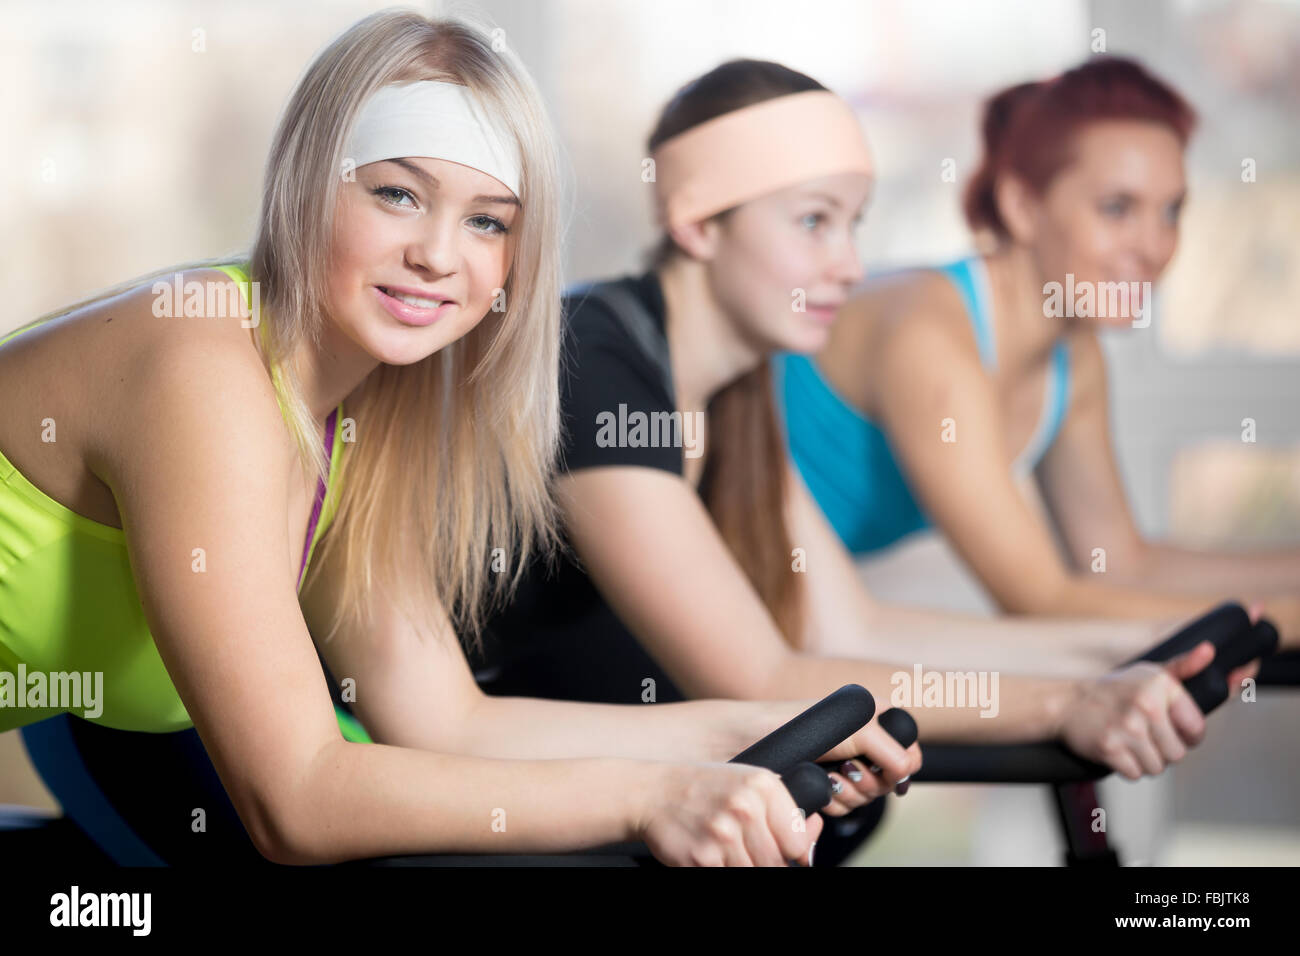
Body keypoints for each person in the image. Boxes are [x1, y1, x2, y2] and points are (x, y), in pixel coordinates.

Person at [0, 11, 894, 868]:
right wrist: (654, 797)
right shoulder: (203, 369)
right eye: (397, 194)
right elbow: (296, 798)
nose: (438, 253)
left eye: (486, 222)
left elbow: (448, 721)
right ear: (305, 186)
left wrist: (750, 733)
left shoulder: (367, 424)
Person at [472, 59, 1244, 865]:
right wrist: (1068, 703)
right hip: (497, 786)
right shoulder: (596, 361)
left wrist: (1146, 645)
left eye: (855, 225)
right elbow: (763, 675)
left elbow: (850, 623)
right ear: (699, 223)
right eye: (814, 222)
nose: (849, 264)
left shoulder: (740, 390)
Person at [776, 56, 1300, 641]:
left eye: (1172, 210)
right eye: (1117, 208)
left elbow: (1121, 565)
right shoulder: (928, 335)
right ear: (1022, 208)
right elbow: (1038, 602)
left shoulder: (1073, 358)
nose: (1155, 247)